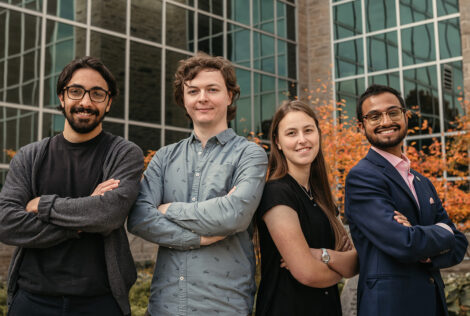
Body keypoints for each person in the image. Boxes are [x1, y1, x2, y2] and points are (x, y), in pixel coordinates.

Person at [0, 56, 144, 316]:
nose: (86, 102)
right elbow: (6, 223)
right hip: (31, 300)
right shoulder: (30, 156)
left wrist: (42, 205)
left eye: (97, 94)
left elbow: (109, 215)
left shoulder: (123, 153)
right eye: (76, 91)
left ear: (109, 102)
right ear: (61, 97)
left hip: (100, 302)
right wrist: (84, 218)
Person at [127, 52, 268, 316]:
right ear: (184, 99)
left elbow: (234, 215)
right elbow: (138, 217)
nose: (202, 97)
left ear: (229, 96)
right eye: (193, 91)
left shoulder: (250, 155)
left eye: (212, 89)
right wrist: (197, 238)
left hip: (223, 308)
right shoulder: (164, 157)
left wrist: (168, 210)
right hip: (163, 307)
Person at [345, 84, 468, 316]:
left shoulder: (422, 182)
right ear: (361, 126)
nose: (385, 121)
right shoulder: (362, 177)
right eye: (374, 116)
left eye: (393, 112)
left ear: (405, 116)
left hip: (433, 306)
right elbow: (403, 242)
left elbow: (460, 243)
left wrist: (427, 244)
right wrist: (443, 231)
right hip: (390, 307)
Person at [255, 100, 358, 316]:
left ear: (318, 134)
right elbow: (307, 273)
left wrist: (323, 255)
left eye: (308, 130)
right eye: (291, 133)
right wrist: (337, 266)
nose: (302, 140)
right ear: (278, 142)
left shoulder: (321, 196)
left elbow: (355, 262)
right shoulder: (276, 192)